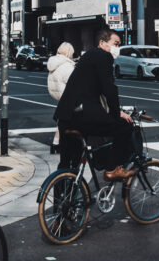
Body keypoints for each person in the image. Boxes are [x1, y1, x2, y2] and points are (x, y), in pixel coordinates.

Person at [54, 28, 134, 181]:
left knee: (67, 163)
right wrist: (117, 112)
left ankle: (64, 201)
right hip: (82, 114)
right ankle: (113, 168)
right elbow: (109, 89)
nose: (117, 48)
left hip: (66, 115)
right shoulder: (103, 56)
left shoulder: (89, 56)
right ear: (102, 43)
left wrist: (114, 109)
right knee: (123, 126)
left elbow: (94, 89)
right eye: (115, 44)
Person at [46, 42, 76, 154]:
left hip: (58, 94)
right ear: (68, 52)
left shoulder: (54, 63)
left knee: (62, 121)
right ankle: (64, 144)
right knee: (71, 120)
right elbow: (74, 82)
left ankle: (56, 143)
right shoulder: (67, 66)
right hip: (67, 95)